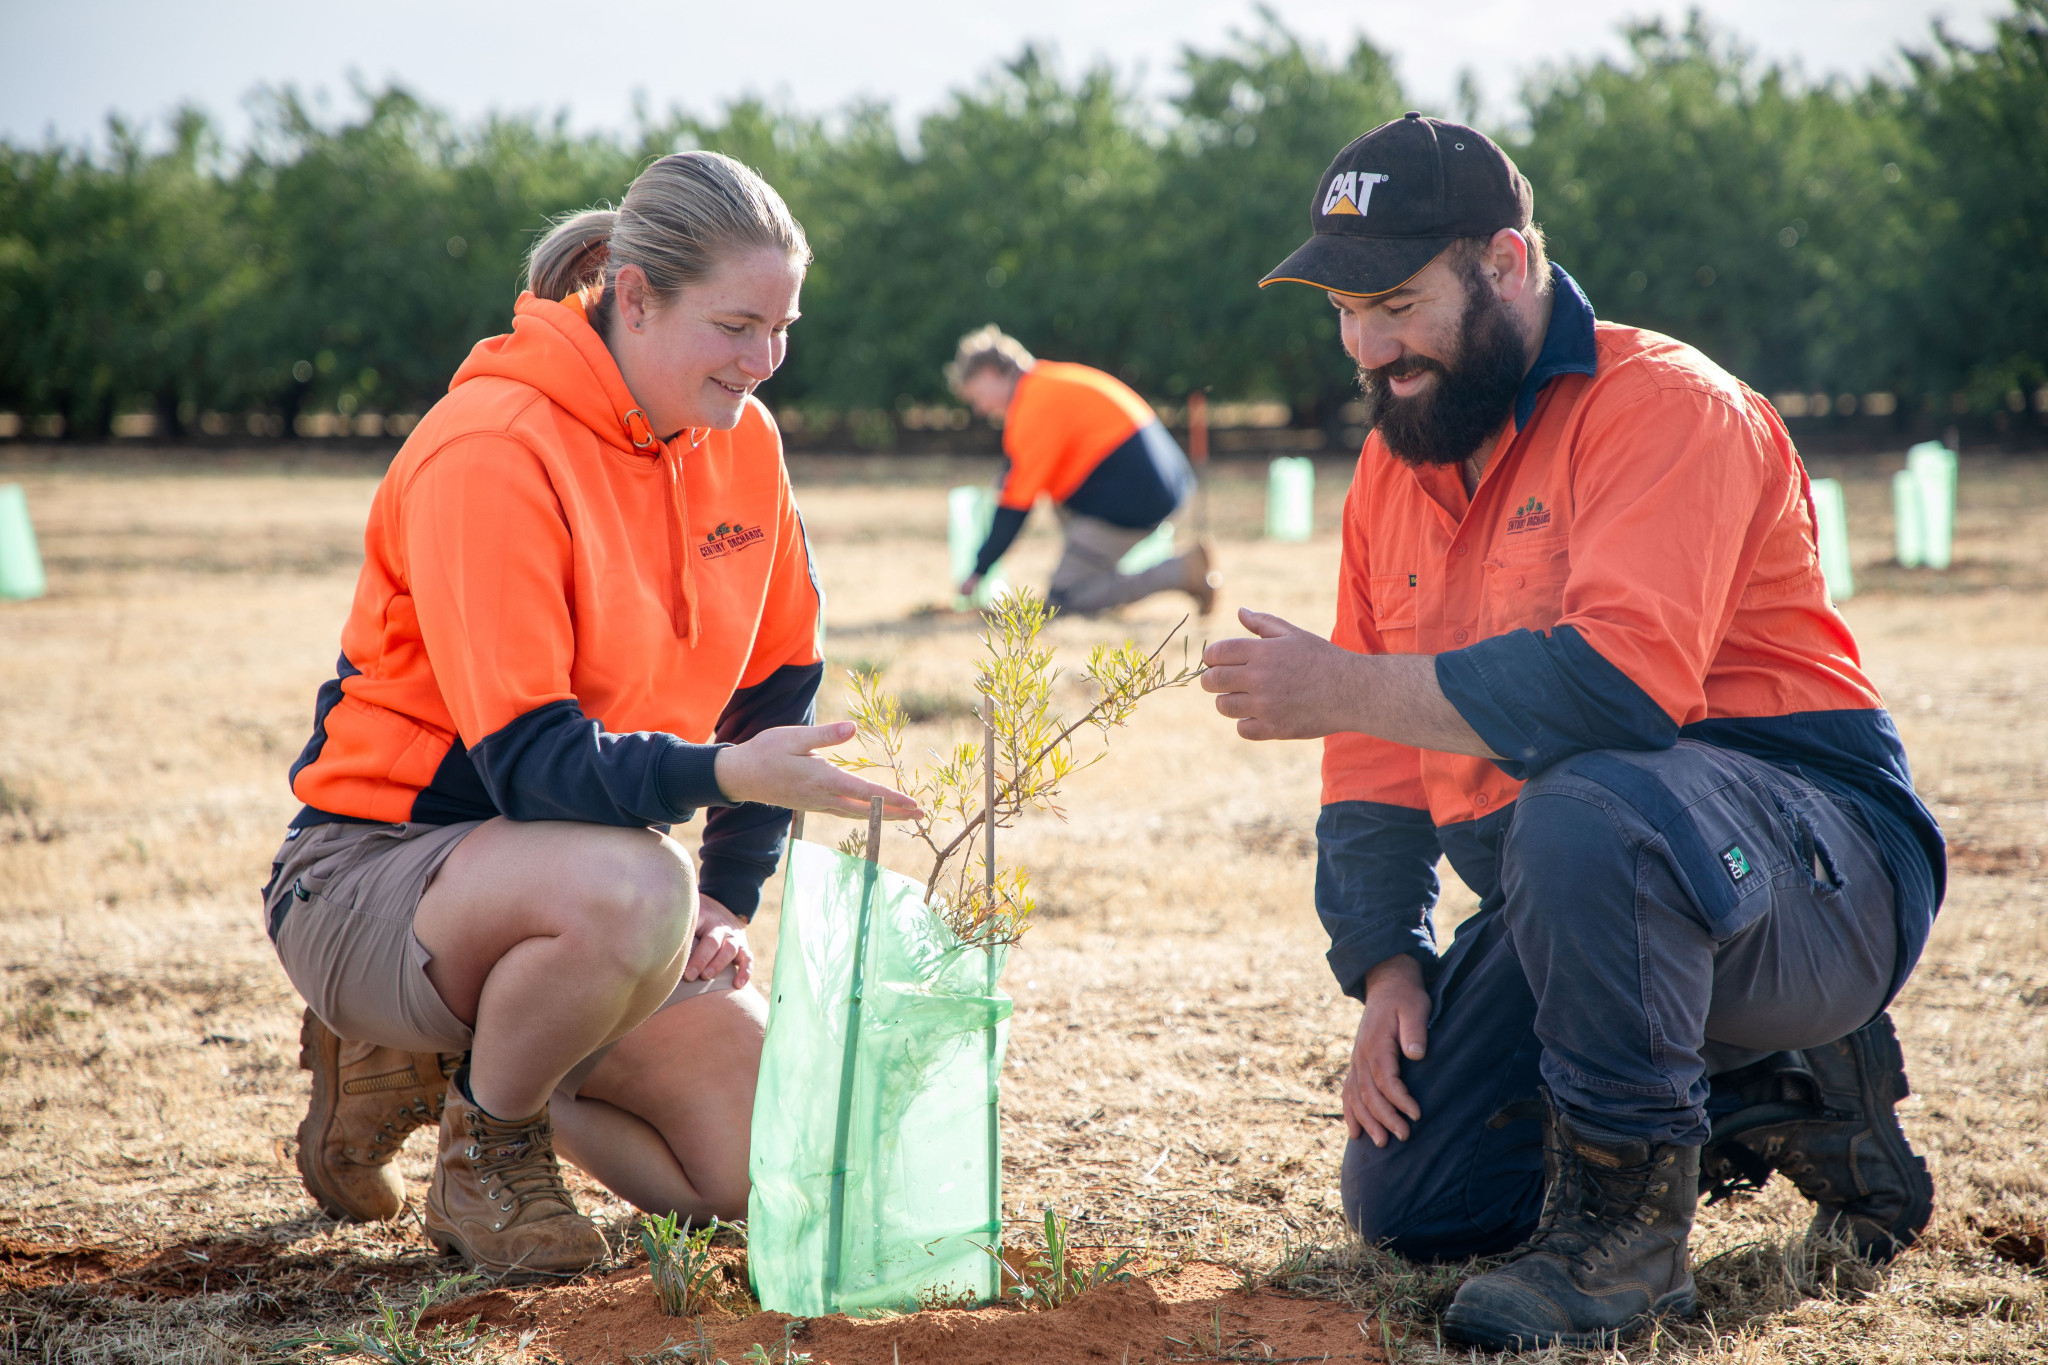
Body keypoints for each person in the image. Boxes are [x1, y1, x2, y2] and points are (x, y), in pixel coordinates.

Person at [1200, 114, 1943, 1350]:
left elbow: (1617, 691)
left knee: (1584, 802)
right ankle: (1786, 1085)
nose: (1367, 347)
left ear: (1503, 259)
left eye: (1394, 299)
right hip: (1589, 885)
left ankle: (1625, 1248)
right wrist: (1386, 961)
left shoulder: (1665, 405)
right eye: (1340, 310)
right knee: (1416, 1203)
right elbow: (1377, 760)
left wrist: (1339, 687)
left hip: (1816, 880)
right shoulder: (1395, 466)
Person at [262, 151, 918, 1281]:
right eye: (733, 326)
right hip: (373, 873)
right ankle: (488, 1153)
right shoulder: (491, 445)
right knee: (631, 889)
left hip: (584, 888)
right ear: (632, 295)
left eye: (782, 327)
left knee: (769, 1169)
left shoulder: (743, 440)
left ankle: (436, 1069)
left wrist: (722, 896)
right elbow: (528, 763)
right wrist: (718, 787)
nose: (762, 362)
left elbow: (777, 683)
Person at [948, 325, 1219, 616]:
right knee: (1059, 508)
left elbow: (1016, 505)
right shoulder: (1047, 381)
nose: (979, 408)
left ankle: (1182, 571)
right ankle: (1096, 577)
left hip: (1143, 493)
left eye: (976, 396)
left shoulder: (1033, 406)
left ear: (990, 373)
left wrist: (979, 569)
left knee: (1066, 598)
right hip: (1162, 480)